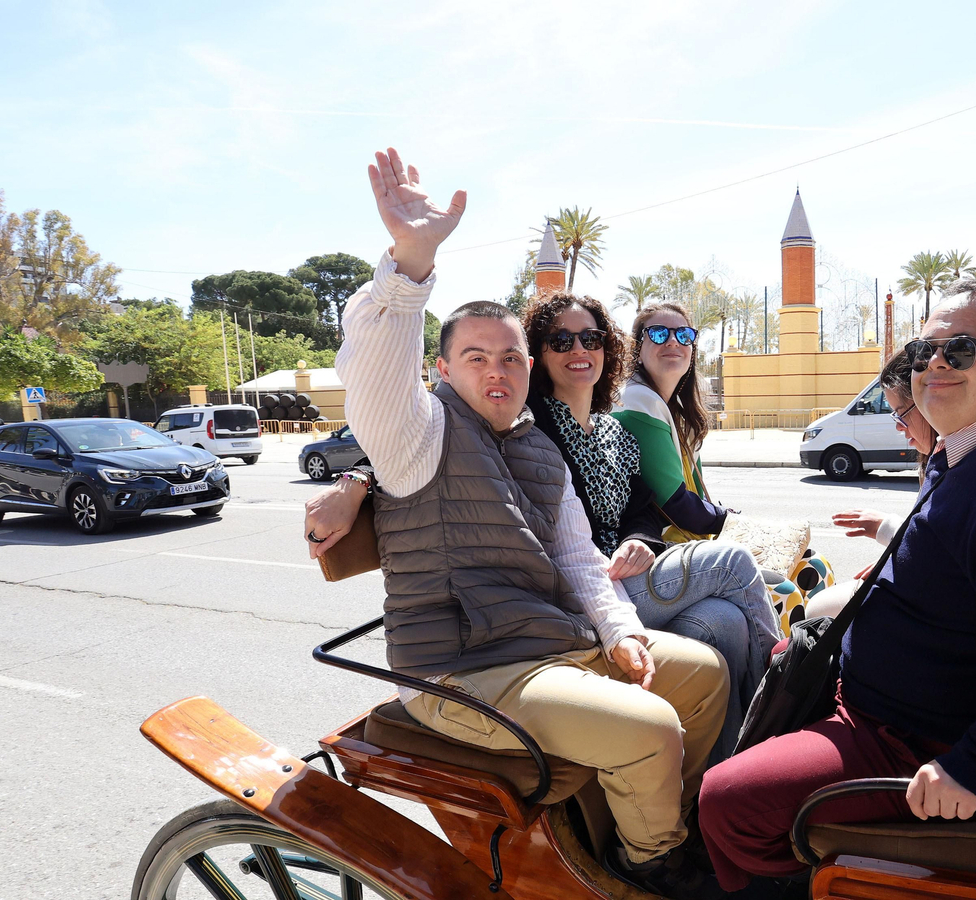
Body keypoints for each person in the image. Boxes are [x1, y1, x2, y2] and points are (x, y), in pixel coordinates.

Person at [321, 147, 727, 900]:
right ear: (442, 372)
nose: (497, 371)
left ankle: (649, 815)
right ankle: (648, 865)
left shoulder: (535, 445)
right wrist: (411, 262)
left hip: (549, 645)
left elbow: (579, 558)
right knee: (648, 727)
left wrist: (621, 632)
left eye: (510, 356)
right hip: (463, 670)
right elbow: (373, 377)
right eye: (475, 358)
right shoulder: (421, 433)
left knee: (702, 676)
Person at [698, 281, 976, 891]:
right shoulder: (972, 456)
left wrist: (974, 768)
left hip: (914, 742)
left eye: (963, 349)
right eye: (925, 352)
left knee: (728, 802)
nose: (936, 363)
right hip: (884, 713)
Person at [310, 289, 779, 764]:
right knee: (734, 564)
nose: (579, 350)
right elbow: (417, 442)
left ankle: (726, 764)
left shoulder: (610, 428)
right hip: (573, 599)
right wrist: (356, 479)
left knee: (722, 622)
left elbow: (642, 506)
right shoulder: (529, 426)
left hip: (610, 583)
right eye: (562, 341)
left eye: (591, 338)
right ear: (539, 356)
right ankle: (782, 701)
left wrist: (639, 540)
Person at [812, 349, 938, 619]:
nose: (899, 427)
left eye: (901, 413)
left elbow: (939, 552)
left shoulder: (956, 461)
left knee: (817, 609)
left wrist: (890, 540)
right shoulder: (941, 459)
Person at [613, 304, 729, 542]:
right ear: (637, 349)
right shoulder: (636, 401)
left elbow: (698, 496)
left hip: (683, 540)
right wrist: (731, 519)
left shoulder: (678, 410)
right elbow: (674, 503)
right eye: (658, 333)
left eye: (684, 335)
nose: (673, 341)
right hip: (648, 547)